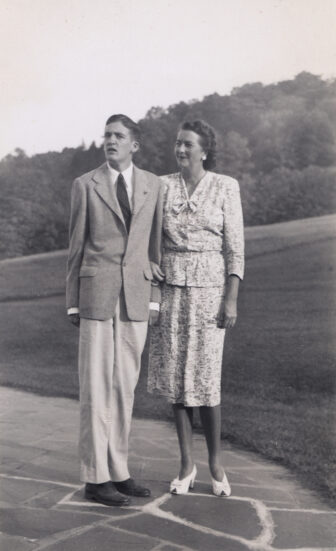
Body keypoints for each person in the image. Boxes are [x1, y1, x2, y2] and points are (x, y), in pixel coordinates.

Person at [66, 114, 162, 507]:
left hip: (137, 296)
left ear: (134, 145)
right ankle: (95, 477)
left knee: (124, 387)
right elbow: (76, 245)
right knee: (95, 386)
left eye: (118, 136)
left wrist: (154, 297)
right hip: (95, 294)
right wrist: (73, 298)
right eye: (106, 135)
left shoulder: (153, 185)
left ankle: (118, 471)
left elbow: (155, 245)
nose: (110, 141)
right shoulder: (85, 185)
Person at [148, 119, 244, 497]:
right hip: (171, 291)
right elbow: (150, 239)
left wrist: (231, 298)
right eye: (178, 144)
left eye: (188, 144)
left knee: (205, 380)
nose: (181, 150)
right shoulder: (161, 185)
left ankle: (216, 463)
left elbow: (234, 248)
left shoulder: (225, 186)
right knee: (176, 380)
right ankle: (186, 464)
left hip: (210, 292)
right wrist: (152, 269)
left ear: (205, 150)